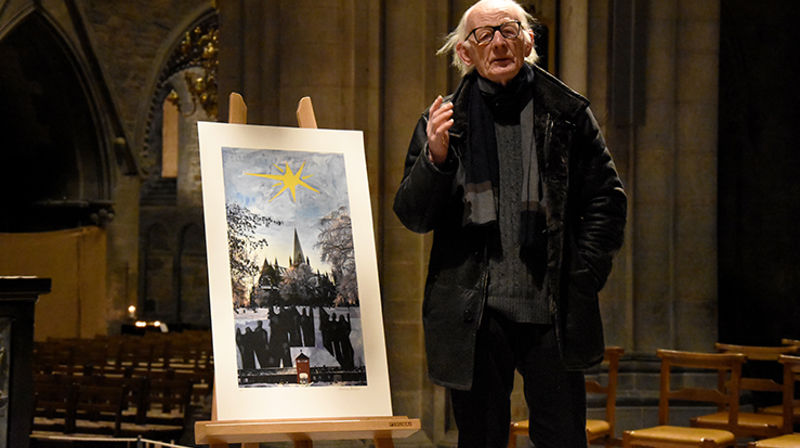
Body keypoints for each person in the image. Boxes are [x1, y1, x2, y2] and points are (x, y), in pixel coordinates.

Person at [392, 1, 627, 447]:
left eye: (508, 31)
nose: (498, 42)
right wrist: (435, 158)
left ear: (529, 41)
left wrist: (584, 274)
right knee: (481, 438)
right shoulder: (443, 122)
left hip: (552, 308)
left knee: (562, 438)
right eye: (484, 35)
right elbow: (413, 216)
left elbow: (607, 201)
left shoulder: (568, 114)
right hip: (477, 315)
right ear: (465, 53)